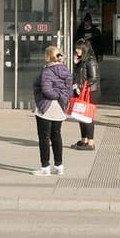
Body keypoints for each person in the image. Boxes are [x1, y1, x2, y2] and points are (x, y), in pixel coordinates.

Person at [32, 45, 74, 176]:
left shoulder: (47, 71)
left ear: (48, 57)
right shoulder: (66, 71)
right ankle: (59, 165)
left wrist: (56, 95)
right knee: (56, 136)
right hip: (60, 108)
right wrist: (62, 96)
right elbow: (69, 91)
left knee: (44, 137)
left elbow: (47, 91)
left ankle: (45, 167)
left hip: (46, 107)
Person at [71, 39, 99, 151]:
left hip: (90, 92)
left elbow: (93, 78)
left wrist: (81, 86)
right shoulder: (81, 60)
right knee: (80, 115)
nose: (76, 50)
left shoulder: (90, 60)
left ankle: (91, 142)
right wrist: (76, 63)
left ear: (84, 49)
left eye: (78, 48)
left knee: (87, 116)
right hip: (80, 91)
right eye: (76, 48)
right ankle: (84, 140)